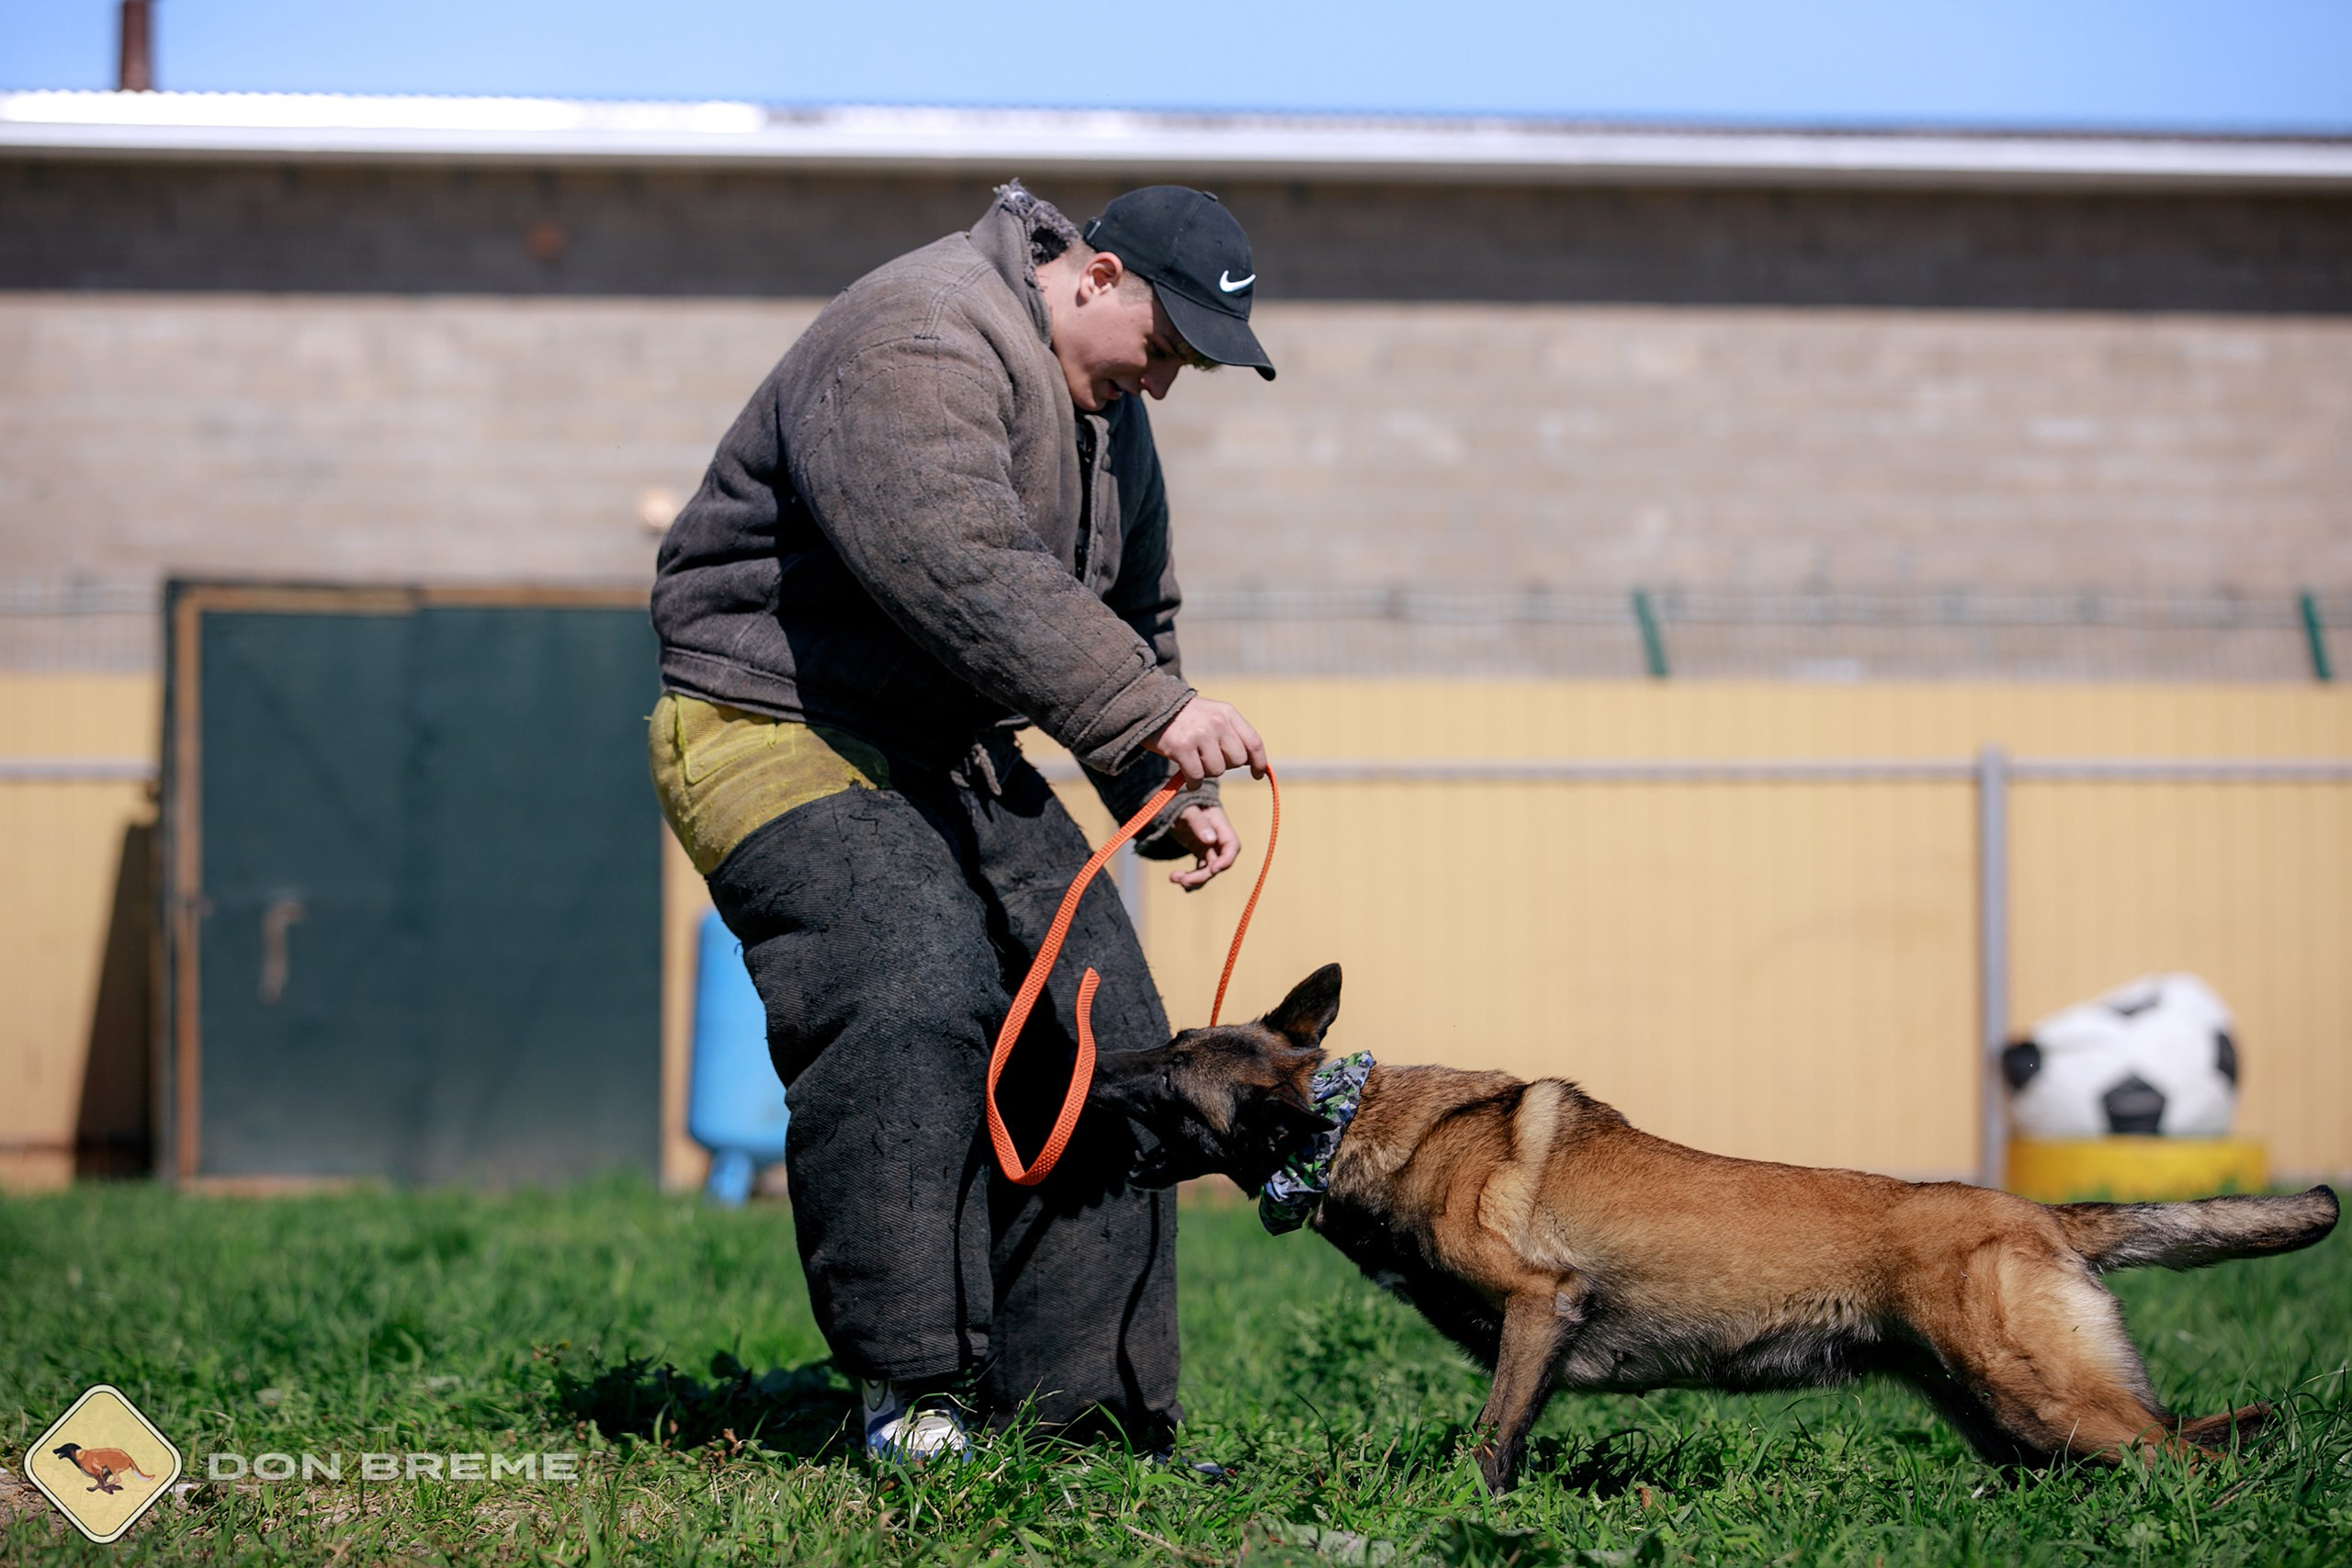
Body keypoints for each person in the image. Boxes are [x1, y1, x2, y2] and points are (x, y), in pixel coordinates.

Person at [647, 181, 1275, 1461]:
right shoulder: (918, 334)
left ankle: (1085, 1423)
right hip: (771, 717)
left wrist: (1164, 792)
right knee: (911, 985)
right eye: (1163, 347)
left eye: (1189, 370)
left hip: (947, 745)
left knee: (1108, 1037)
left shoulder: (1104, 412)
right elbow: (957, 559)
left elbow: (1131, 615)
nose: (1162, 385)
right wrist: (1148, 711)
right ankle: (916, 1394)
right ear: (1097, 276)